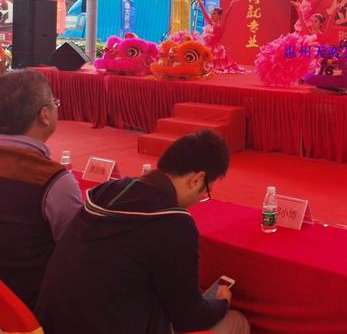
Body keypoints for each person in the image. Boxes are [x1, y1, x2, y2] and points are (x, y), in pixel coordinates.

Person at [36, 130, 250, 334]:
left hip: (48, 325)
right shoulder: (174, 223)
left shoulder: (107, 191)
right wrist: (222, 302)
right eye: (206, 190)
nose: (201, 197)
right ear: (196, 180)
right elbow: (189, 317)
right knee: (236, 321)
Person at [0, 69, 81, 309]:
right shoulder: (53, 180)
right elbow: (77, 249)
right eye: (54, 102)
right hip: (28, 308)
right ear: (45, 115)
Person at [193, 0, 245, 73]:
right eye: (211, 14)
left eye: (214, 14)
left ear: (219, 16)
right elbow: (205, 14)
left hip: (215, 49)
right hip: (207, 46)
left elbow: (226, 15)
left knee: (216, 65)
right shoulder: (211, 23)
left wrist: (231, 5)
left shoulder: (221, 26)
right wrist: (200, 2)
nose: (212, 16)